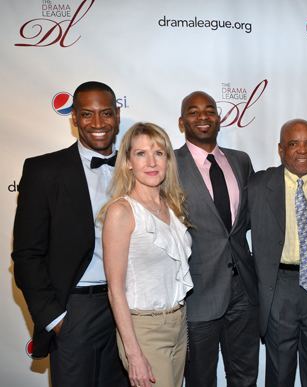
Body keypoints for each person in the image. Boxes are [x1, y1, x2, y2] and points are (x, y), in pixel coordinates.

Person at [11, 81, 128, 386]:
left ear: (117, 114)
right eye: (87, 115)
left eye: (106, 113)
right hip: (76, 309)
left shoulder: (136, 167)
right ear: (74, 118)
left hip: (128, 309)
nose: (98, 123)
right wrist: (56, 319)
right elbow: (26, 255)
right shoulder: (44, 170)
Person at [248, 119, 307, 387]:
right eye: (294, 144)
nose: (303, 150)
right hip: (280, 287)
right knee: (279, 373)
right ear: (280, 150)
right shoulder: (257, 187)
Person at [175, 91, 259, 386]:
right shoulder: (169, 165)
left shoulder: (240, 161)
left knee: (245, 374)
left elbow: (254, 216)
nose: (203, 117)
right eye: (194, 111)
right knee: (200, 377)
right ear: (181, 120)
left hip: (244, 290)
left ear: (219, 118)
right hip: (198, 291)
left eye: (209, 110)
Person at [101, 122, 193, 387]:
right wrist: (133, 353)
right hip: (144, 330)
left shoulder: (171, 206)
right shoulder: (122, 212)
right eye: (141, 154)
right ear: (128, 162)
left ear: (168, 160)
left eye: (159, 153)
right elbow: (115, 290)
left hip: (178, 322)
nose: (151, 162)